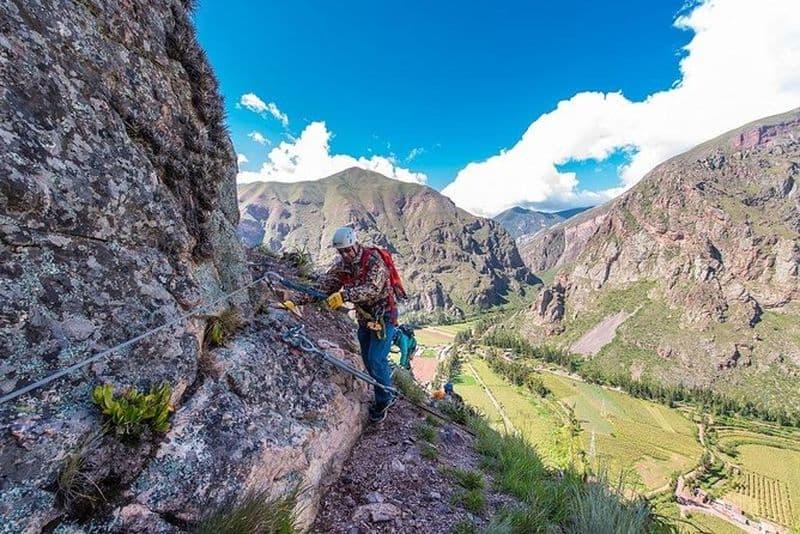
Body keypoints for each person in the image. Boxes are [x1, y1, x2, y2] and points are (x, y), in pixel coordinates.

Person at [283, 226, 400, 423]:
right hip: (365, 319)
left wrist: (345, 295)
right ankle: (386, 387)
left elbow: (372, 288)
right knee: (368, 360)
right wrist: (296, 299)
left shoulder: (374, 261)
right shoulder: (342, 267)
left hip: (384, 316)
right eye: (341, 251)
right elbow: (324, 286)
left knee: (376, 359)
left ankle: (383, 401)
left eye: (347, 249)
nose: (344, 254)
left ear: (355, 244)